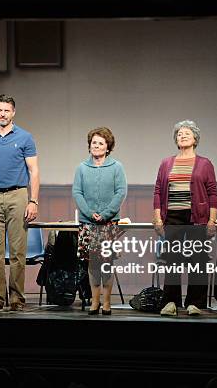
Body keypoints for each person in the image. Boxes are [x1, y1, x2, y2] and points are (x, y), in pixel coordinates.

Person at [0, 94, 40, 312]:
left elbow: (34, 170)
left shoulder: (25, 137)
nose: (2, 114)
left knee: (17, 252)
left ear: (13, 112)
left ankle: (17, 298)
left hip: (18, 194)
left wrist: (33, 200)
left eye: (6, 110)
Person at [153, 120, 217, 316]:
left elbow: (213, 193)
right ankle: (171, 302)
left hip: (197, 217)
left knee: (196, 260)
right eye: (180, 133)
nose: (182, 135)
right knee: (172, 260)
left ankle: (195, 303)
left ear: (195, 138)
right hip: (172, 216)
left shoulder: (205, 164)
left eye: (187, 133)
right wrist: (157, 218)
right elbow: (157, 191)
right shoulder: (166, 163)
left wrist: (212, 220)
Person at [72, 127, 127, 315]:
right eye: (94, 142)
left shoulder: (116, 167)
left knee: (107, 263)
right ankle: (94, 302)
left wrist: (105, 214)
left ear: (107, 147)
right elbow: (77, 192)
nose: (96, 146)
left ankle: (106, 302)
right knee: (92, 264)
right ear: (89, 146)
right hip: (88, 224)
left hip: (109, 224)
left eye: (101, 143)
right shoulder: (81, 168)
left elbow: (120, 192)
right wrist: (89, 212)